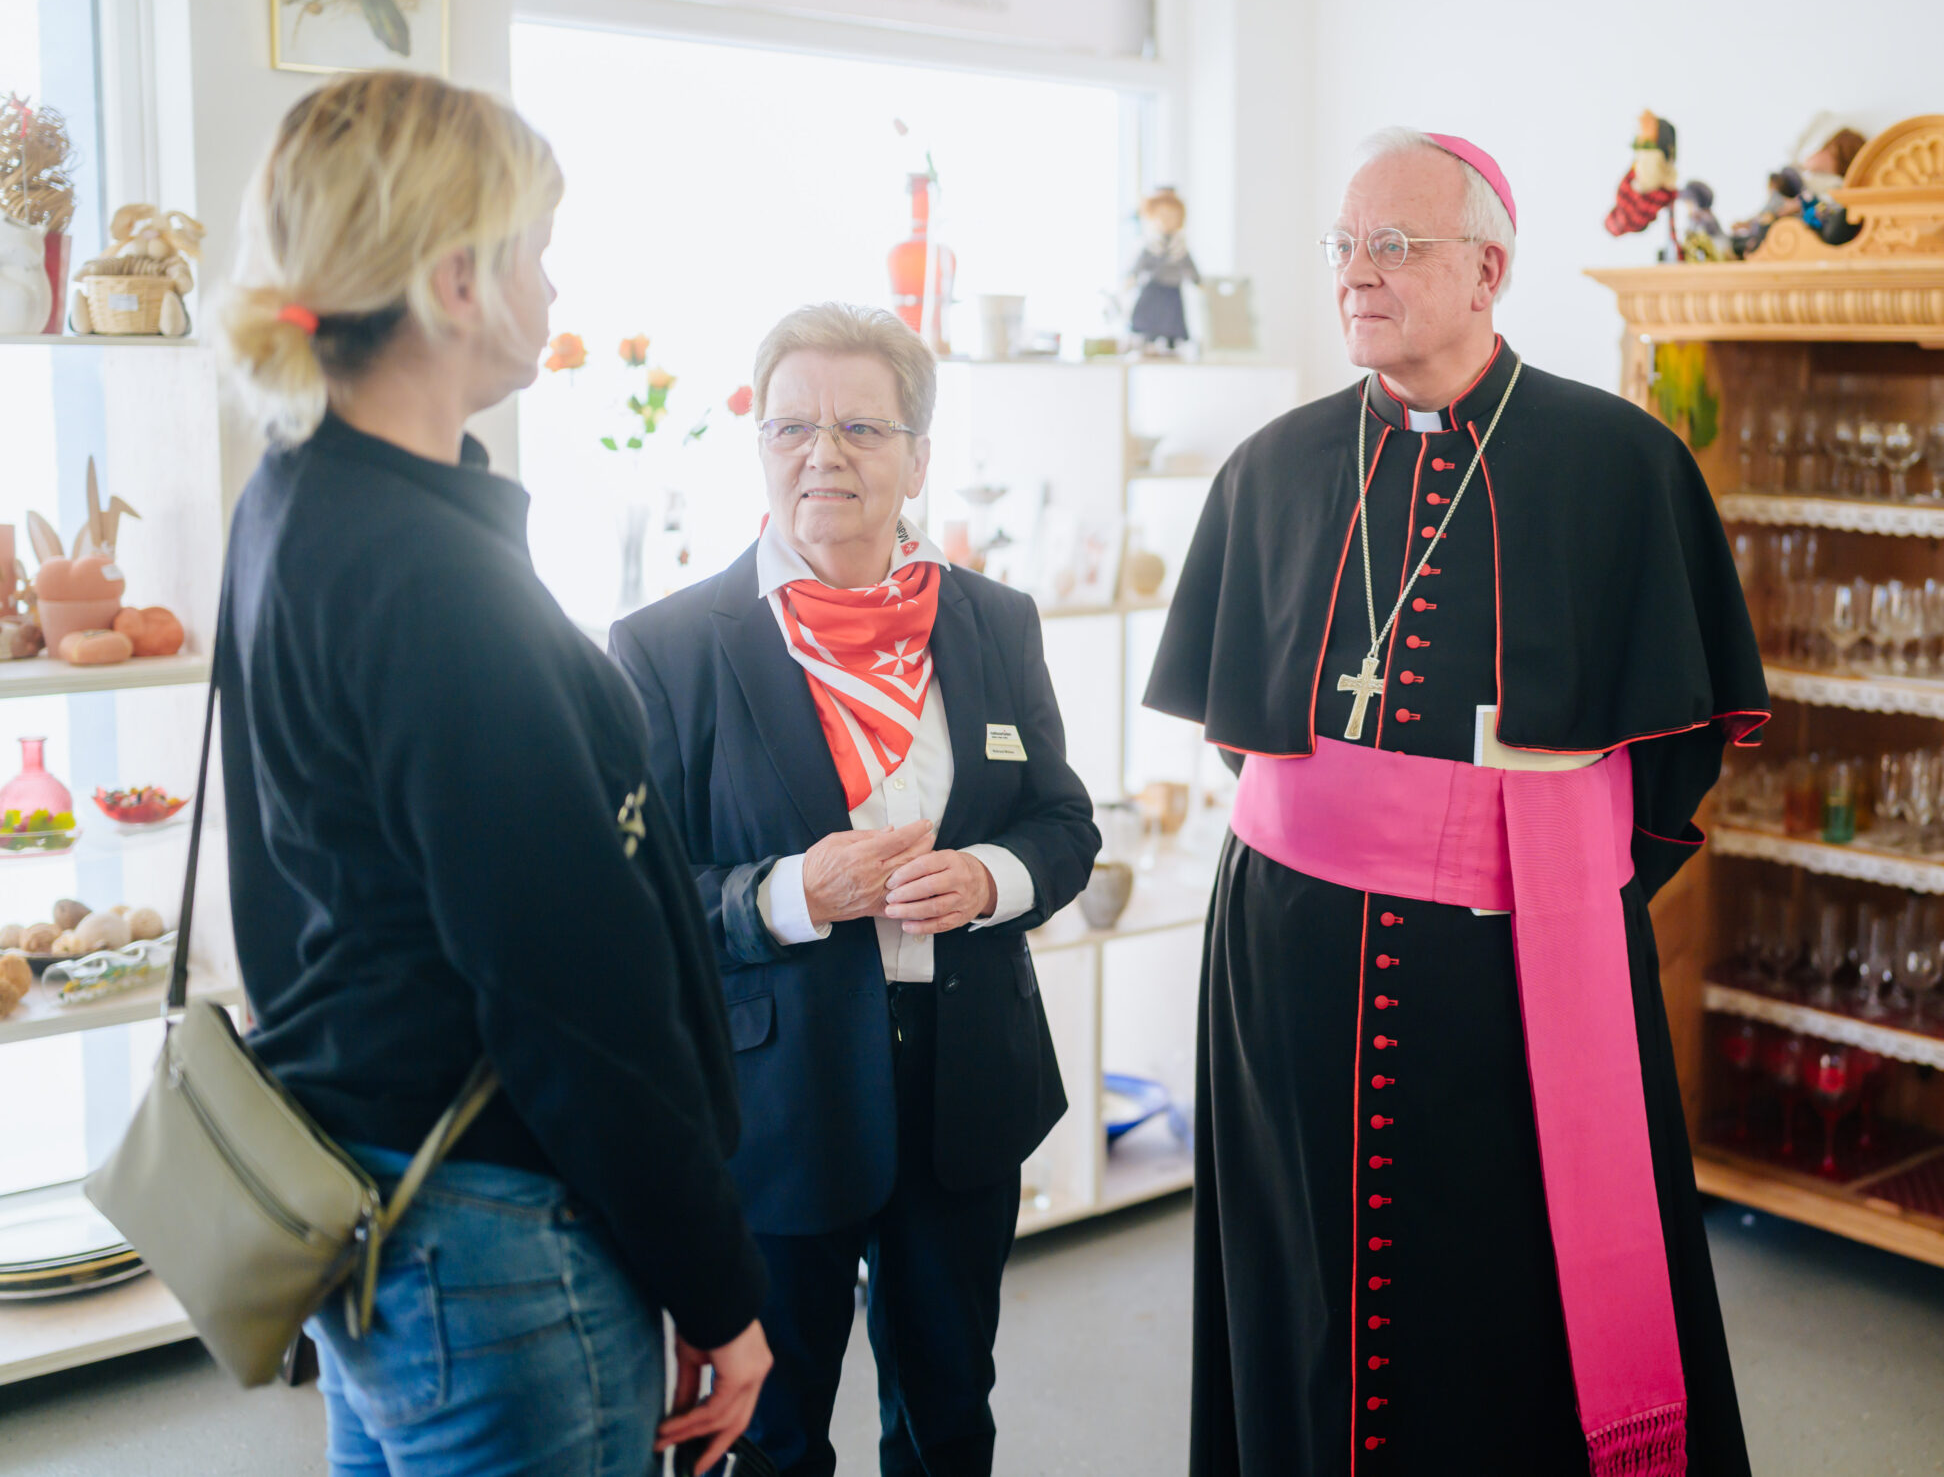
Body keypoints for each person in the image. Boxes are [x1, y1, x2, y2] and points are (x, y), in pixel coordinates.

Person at [1144, 129, 1764, 1476]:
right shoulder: (1272, 467)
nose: (1360, 274)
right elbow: (1245, 739)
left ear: (1490, 268)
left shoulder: (1618, 465)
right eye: (1346, 246)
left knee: (1506, 1282)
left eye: (1397, 245)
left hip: (1511, 964)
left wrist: (1506, 865)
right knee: (1300, 1264)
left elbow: (1668, 763)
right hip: (1287, 955)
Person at [214, 70, 771, 1477]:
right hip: (501, 1239)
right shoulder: (431, 574)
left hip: (382, 1197)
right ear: (456, 278)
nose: (552, 279)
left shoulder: (298, 498)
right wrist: (717, 1286)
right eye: (532, 248)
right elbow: (571, 997)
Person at [612, 304, 1100, 1477]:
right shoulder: (668, 647)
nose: (821, 453)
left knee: (948, 1418)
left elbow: (1063, 824)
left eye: (860, 427)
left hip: (962, 1094)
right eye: (790, 426)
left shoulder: (991, 621)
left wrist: (991, 876)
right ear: (759, 445)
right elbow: (636, 898)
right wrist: (788, 894)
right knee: (770, 1440)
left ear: (918, 457)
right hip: (776, 1107)